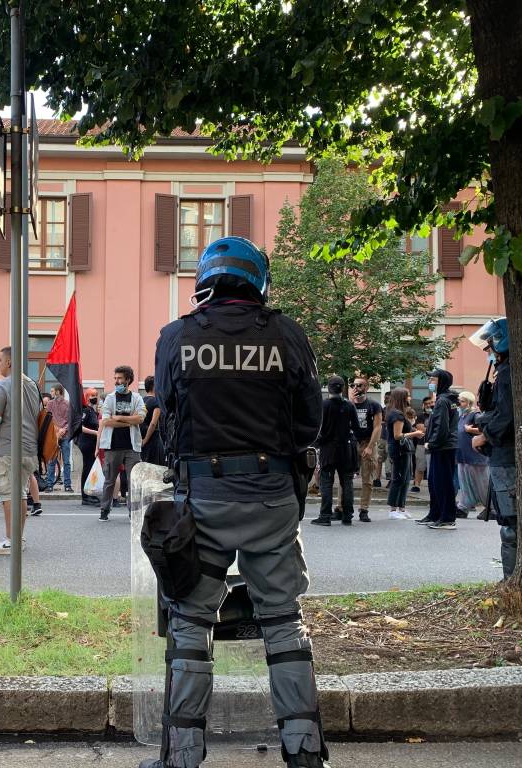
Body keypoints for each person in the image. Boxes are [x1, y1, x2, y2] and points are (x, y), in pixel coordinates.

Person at [150, 237, 328, 768]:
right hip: (272, 497)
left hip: (202, 499)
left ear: (206, 280)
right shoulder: (288, 335)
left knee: (190, 622)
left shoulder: (176, 336)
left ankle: (181, 756)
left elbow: (169, 413)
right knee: (283, 621)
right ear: (258, 281)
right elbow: (308, 421)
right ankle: (304, 753)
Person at [0, 346, 41, 555]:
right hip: (29, 448)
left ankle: (11, 541)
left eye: (0, 360)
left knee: (8, 495)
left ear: (10, 362)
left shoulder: (3, 386)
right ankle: (17, 539)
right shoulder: (31, 384)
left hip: (9, 448)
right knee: (19, 494)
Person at [469, 318, 516, 578]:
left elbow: (507, 415)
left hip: (506, 455)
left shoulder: (508, 372)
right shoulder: (506, 369)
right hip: (504, 453)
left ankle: (511, 581)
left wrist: (484, 434)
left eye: (489, 347)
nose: (487, 352)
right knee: (508, 521)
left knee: (510, 524)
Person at [96, 365, 146, 522]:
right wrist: (128, 421)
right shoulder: (110, 398)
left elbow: (141, 418)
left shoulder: (137, 398)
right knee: (110, 480)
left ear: (128, 380)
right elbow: (106, 421)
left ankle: (133, 512)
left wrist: (118, 417)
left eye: (120, 378)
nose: (116, 381)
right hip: (112, 446)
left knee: (134, 481)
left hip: (132, 446)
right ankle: (104, 510)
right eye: (115, 378)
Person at [310, 375, 360, 527]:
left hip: (328, 448)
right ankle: (347, 515)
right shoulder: (349, 405)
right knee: (347, 482)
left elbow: (317, 427)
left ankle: (325, 515)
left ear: (329, 388)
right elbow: (356, 428)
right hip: (345, 448)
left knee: (326, 483)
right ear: (343, 388)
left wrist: (317, 443)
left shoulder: (323, 405)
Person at [416, 369, 460, 530]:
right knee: (435, 482)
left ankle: (447, 518)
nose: (429, 383)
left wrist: (432, 443)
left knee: (442, 482)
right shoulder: (447, 399)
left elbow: (442, 426)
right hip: (445, 446)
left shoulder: (443, 401)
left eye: (433, 380)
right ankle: (435, 514)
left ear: (441, 381)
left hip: (443, 447)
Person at [384, 389, 424, 519]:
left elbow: (404, 430)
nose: (410, 398)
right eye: (408, 396)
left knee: (406, 479)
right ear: (402, 398)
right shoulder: (397, 415)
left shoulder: (398, 413)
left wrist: (413, 429)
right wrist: (415, 433)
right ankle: (393, 509)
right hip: (399, 450)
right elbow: (397, 435)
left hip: (404, 449)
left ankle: (402, 508)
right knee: (398, 479)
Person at [349, 376, 382, 522]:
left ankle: (364, 509)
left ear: (367, 388)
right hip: (351, 442)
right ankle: (341, 507)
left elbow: (377, 427)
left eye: (360, 385)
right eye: (354, 385)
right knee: (346, 477)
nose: (356, 388)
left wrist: (370, 447)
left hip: (367, 442)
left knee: (367, 478)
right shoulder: (347, 404)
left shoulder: (373, 405)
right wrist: (350, 402)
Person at [454, 392, 489, 517]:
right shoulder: (462, 415)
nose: (460, 404)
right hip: (463, 455)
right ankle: (464, 507)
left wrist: (470, 430)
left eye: (463, 401)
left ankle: (492, 508)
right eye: (460, 401)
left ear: (469, 402)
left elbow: (484, 429)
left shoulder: (475, 415)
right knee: (465, 483)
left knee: (482, 484)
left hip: (475, 456)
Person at [45, 383, 73, 492]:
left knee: (66, 461)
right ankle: (50, 484)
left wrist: (64, 429)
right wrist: (56, 429)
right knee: (52, 460)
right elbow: (48, 419)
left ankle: (67, 485)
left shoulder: (67, 404)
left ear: (58, 391)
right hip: (53, 435)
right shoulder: (50, 404)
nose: (51, 393)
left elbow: (71, 420)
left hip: (65, 435)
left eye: (52, 391)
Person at [77, 387, 101, 506]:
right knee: (87, 468)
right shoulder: (86, 410)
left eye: (95, 395)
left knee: (90, 468)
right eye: (92, 396)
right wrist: (96, 433)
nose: (94, 398)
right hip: (86, 443)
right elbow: (79, 427)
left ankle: (89, 494)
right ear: (87, 397)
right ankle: (85, 496)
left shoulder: (92, 410)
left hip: (91, 443)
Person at [140, 375, 165, 466]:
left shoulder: (141, 401)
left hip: (140, 438)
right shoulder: (156, 402)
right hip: (152, 439)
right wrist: (146, 440)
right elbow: (153, 423)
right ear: (154, 386)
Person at [411, 395, 433, 493]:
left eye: (430, 403)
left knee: (433, 467)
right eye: (426, 404)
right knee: (420, 466)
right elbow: (421, 429)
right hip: (421, 444)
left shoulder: (437, 415)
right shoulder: (420, 416)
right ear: (423, 405)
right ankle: (416, 485)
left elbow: (425, 429)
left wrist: (427, 429)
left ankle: (433, 486)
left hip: (434, 445)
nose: (428, 405)